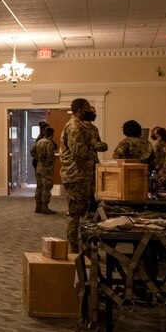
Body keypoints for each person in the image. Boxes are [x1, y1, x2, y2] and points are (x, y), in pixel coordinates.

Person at [60, 97, 108, 253]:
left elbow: (95, 145)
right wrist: (93, 146)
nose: (90, 111)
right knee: (75, 214)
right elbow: (78, 152)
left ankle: (86, 248)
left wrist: (97, 146)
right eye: (87, 108)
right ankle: (74, 250)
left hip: (88, 175)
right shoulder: (73, 127)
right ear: (80, 109)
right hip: (76, 176)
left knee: (89, 213)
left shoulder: (89, 128)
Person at [32, 127, 57, 214]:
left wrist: (38, 158)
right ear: (51, 134)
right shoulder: (49, 143)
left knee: (39, 187)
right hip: (47, 168)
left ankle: (37, 206)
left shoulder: (39, 141)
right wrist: (50, 162)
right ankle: (45, 207)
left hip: (39, 166)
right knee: (47, 187)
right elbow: (50, 156)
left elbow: (32, 151)